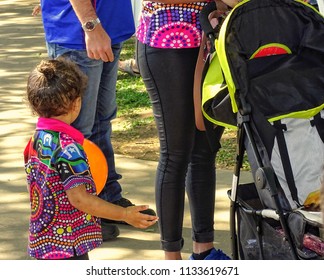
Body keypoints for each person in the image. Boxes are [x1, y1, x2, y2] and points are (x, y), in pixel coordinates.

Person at [38, 0, 156, 239]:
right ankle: (80, 214)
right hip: (81, 35)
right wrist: (91, 26)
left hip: (107, 29)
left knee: (102, 122)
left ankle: (106, 199)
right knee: (76, 132)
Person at [23, 58, 158, 260]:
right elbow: (80, 199)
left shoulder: (36, 140)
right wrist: (125, 214)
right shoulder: (69, 150)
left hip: (44, 239)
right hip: (68, 244)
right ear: (77, 103)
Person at [136, 0, 238, 260]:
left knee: (204, 151)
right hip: (166, 44)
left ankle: (204, 250)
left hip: (213, 43)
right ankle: (172, 257)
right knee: (175, 154)